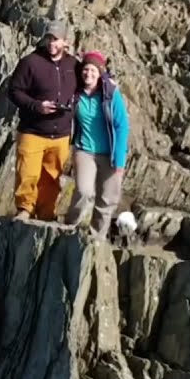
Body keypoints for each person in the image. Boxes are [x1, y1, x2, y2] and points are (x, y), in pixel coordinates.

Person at [8, 20, 78, 221]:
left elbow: (87, 86)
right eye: (48, 38)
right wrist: (37, 106)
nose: (51, 43)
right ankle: (24, 209)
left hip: (61, 134)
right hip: (32, 131)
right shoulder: (30, 62)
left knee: (51, 178)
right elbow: (13, 91)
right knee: (27, 174)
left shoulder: (73, 65)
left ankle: (47, 214)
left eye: (55, 39)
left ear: (66, 42)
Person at [64, 50, 129, 238]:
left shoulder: (110, 94)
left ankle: (96, 237)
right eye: (85, 69)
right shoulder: (75, 93)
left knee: (107, 199)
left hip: (110, 154)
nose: (88, 74)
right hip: (84, 150)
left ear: (100, 73)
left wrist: (119, 161)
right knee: (84, 191)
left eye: (93, 70)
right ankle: (69, 227)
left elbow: (122, 125)